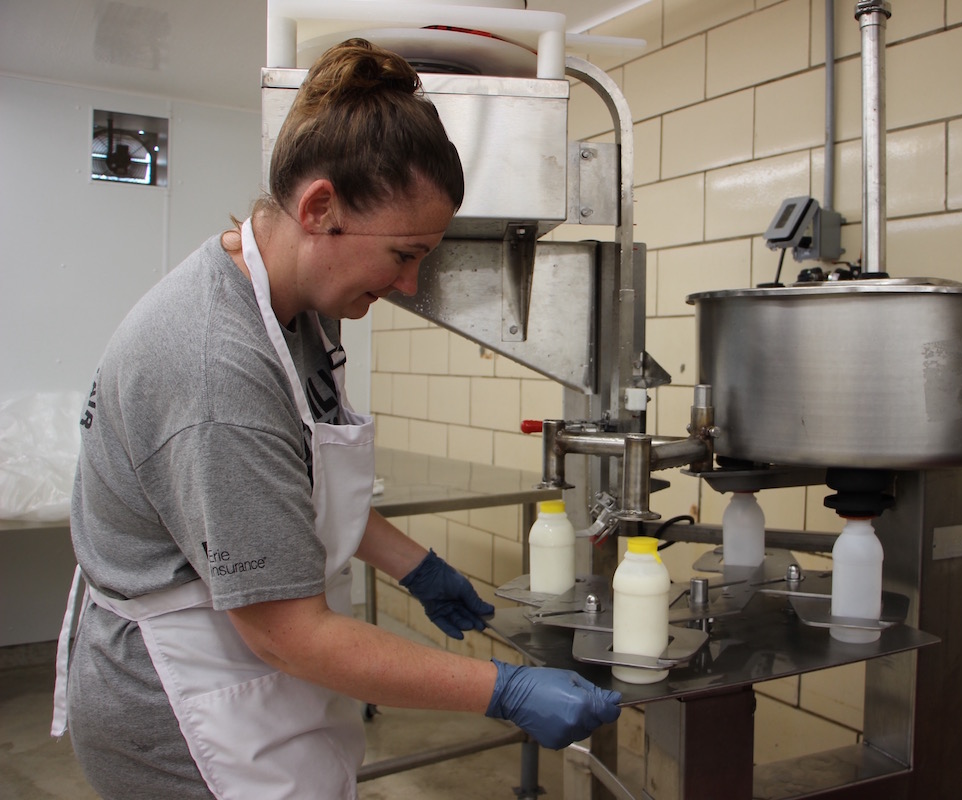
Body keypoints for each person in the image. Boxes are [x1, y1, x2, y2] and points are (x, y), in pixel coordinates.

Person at [51, 38, 621, 799]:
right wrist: (503, 689)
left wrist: (414, 565)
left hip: (251, 667)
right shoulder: (218, 368)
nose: (410, 283)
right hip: (183, 708)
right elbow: (289, 634)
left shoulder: (298, 308)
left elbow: (296, 492)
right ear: (320, 208)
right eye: (404, 254)